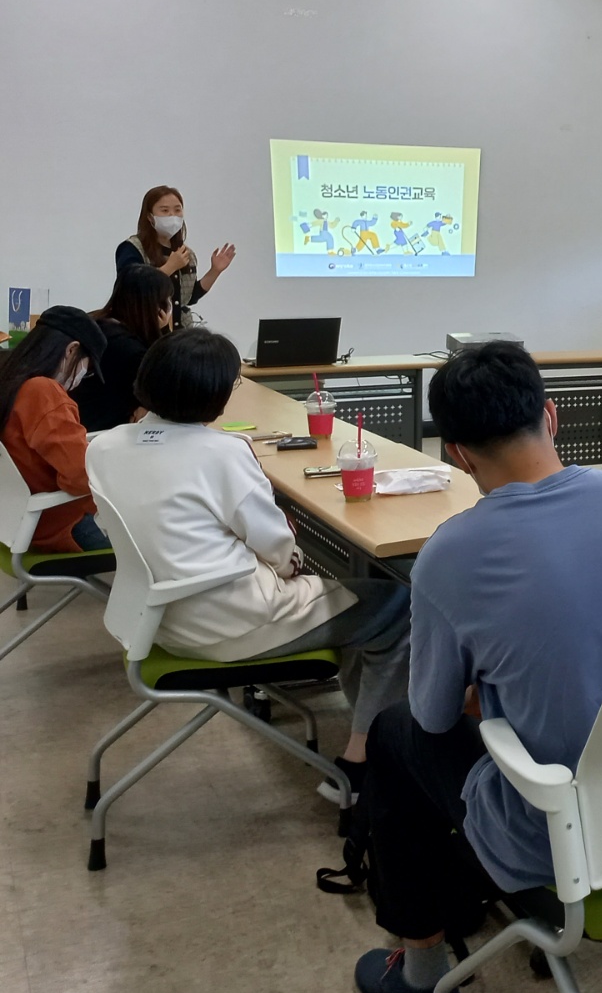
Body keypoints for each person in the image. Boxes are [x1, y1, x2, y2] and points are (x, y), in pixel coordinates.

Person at [350, 342, 602, 993]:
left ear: (458, 454)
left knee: (395, 733)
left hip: (564, 834)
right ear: (552, 416)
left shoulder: (449, 554)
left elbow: (434, 717)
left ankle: (423, 976)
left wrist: (492, 690)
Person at [86, 329, 410, 795]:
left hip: (153, 620)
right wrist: (294, 563)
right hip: (234, 624)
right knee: (398, 607)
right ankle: (364, 763)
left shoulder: (103, 446)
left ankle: (368, 732)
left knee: (359, 605)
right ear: (217, 393)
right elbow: (277, 546)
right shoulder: (223, 452)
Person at [0, 306, 112, 553]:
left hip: (12, 525)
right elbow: (81, 477)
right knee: (147, 550)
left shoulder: (9, 381)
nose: (81, 377)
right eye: (86, 368)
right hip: (57, 526)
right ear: (71, 350)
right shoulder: (44, 393)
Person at [116, 185, 235, 328]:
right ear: (149, 216)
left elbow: (189, 297)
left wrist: (215, 271)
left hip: (181, 331)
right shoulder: (132, 248)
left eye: (177, 210)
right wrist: (169, 267)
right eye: (165, 210)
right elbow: (128, 288)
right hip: (145, 329)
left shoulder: (185, 252)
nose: (172, 216)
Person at [74, 265, 174, 432]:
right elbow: (170, 383)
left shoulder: (97, 324)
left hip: (81, 424)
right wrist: (162, 332)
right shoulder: (132, 352)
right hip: (103, 433)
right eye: (167, 299)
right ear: (155, 307)